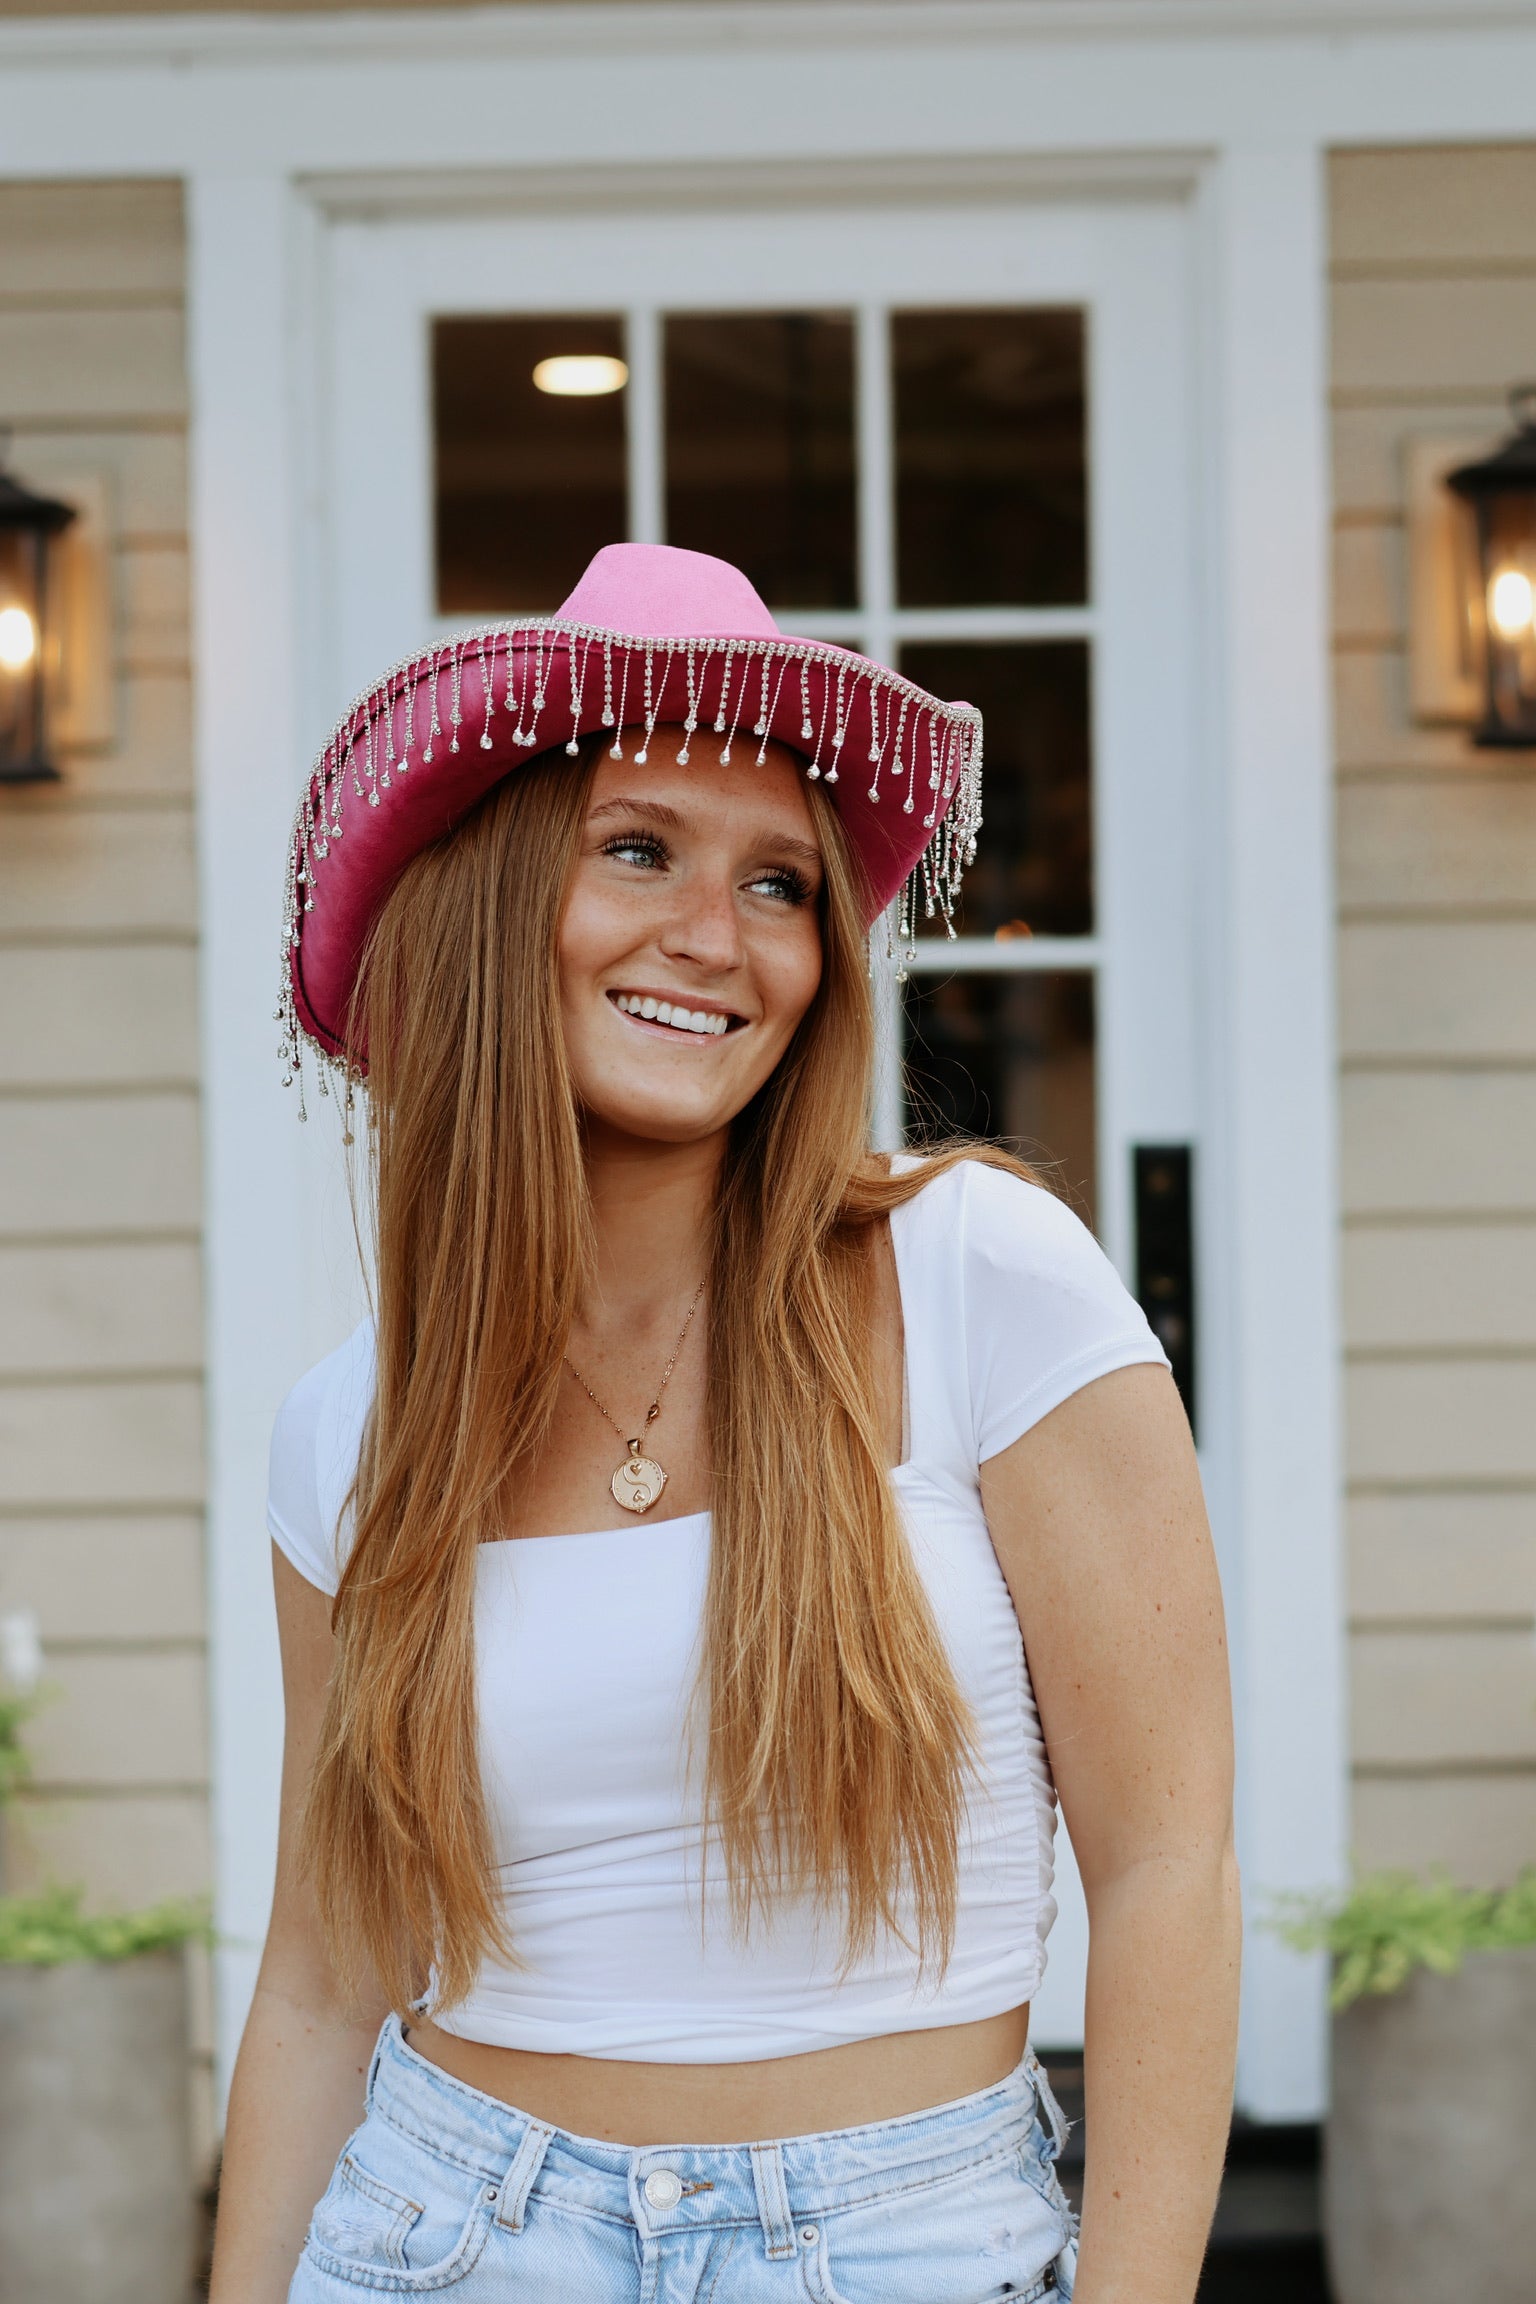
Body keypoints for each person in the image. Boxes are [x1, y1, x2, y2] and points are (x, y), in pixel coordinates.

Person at [209, 544, 1239, 2304]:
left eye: (781, 884)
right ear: (485, 906)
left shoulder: (982, 1277)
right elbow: (323, 1965)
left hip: (908, 2238)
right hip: (445, 2232)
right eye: (638, 849)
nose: (717, 938)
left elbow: (1169, 1864)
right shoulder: (353, 1429)